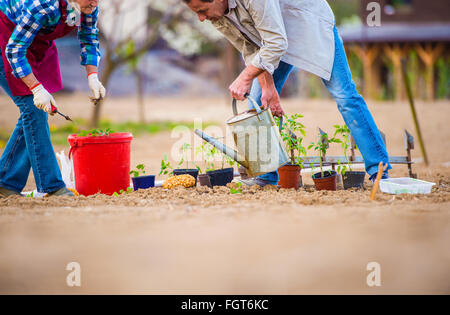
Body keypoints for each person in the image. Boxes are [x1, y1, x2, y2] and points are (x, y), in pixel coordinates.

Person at [183, 0, 391, 187]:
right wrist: (267, 88)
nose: (201, 18)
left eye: (202, 10)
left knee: (345, 96)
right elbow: (251, 49)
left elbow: (276, 43)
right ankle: (266, 176)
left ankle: (379, 171)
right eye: (197, 14)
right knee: (258, 103)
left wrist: (244, 78)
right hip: (273, 42)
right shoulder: (217, 17)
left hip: (308, 25)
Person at [0, 0, 106, 198]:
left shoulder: (88, 6)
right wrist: (36, 88)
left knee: (33, 113)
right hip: (7, 40)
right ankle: (52, 185)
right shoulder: (44, 5)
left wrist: (93, 76)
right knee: (32, 109)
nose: (94, 2)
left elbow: (89, 38)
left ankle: (5, 182)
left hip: (36, 44)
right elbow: (14, 50)